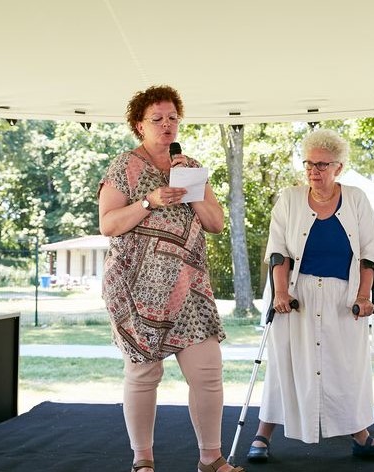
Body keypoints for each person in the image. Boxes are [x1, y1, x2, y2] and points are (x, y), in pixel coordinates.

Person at [98, 85, 242, 472]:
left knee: (208, 372)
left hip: (189, 287)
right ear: (138, 125)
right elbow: (108, 224)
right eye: (157, 119)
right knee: (145, 373)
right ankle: (142, 459)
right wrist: (149, 202)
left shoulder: (191, 165)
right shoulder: (122, 167)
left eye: (172, 118)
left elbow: (214, 223)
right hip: (136, 287)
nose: (166, 126)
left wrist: (192, 190)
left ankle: (211, 459)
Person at [246, 129, 374, 463]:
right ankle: (262, 435)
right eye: (309, 164)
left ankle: (361, 436)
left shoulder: (356, 199)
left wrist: (364, 296)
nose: (314, 171)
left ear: (338, 167)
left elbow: (368, 254)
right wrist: (281, 292)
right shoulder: (289, 198)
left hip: (342, 296)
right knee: (284, 362)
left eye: (322, 165)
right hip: (298, 294)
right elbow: (278, 253)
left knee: (345, 366)